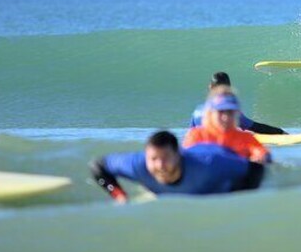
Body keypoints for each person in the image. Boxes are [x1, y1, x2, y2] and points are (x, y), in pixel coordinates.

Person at [90, 130, 265, 203]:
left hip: (219, 153)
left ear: (178, 155)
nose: (159, 165)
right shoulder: (138, 165)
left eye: (165, 158)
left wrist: (238, 198)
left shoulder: (209, 165)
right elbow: (98, 165)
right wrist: (119, 195)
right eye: (153, 158)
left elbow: (255, 169)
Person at [183, 88, 271, 163]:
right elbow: (186, 158)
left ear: (237, 114)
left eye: (230, 112)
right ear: (210, 113)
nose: (226, 117)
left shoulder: (246, 138)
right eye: (221, 112)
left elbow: (262, 153)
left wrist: (260, 158)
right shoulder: (197, 135)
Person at [189, 72, 286, 135]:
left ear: (210, 87)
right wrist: (280, 132)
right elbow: (255, 127)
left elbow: (190, 135)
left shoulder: (197, 111)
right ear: (229, 88)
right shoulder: (229, 112)